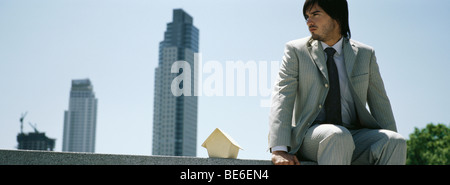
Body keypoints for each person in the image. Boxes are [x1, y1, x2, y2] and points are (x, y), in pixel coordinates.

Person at [268, 0, 407, 165]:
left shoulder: (365, 54)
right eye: (307, 17)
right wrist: (279, 149)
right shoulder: (296, 50)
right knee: (338, 136)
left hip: (355, 135)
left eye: (315, 14)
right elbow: (282, 96)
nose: (309, 22)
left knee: (395, 142)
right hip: (311, 136)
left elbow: (380, 101)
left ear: (337, 17)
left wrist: (390, 137)